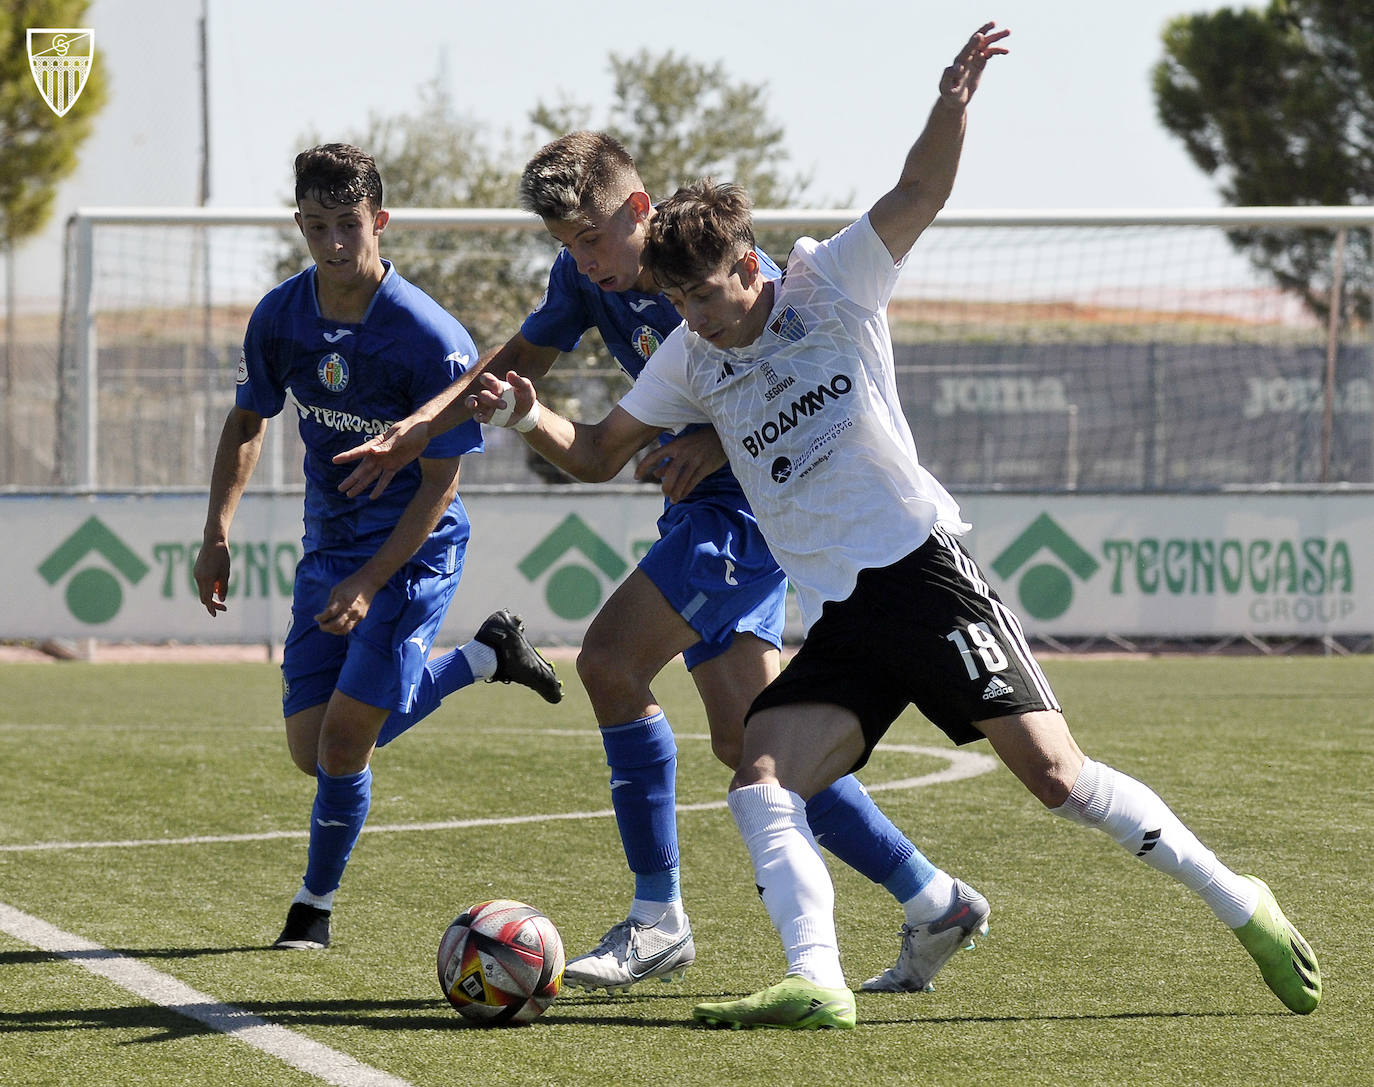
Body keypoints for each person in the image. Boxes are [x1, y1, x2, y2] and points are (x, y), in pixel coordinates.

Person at [465, 22, 1323, 1030]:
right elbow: (602, 450)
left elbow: (918, 193)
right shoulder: (690, 357)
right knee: (759, 772)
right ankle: (817, 979)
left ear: (749, 264)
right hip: (849, 613)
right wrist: (525, 412)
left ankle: (1243, 902)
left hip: (926, 577)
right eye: (677, 299)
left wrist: (950, 107)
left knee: (1058, 778)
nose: (692, 317)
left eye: (704, 294)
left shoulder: (833, 286)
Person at [333, 132, 988, 994]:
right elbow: (539, 382)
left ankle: (657, 917)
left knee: (608, 661)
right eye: (567, 244)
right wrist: (428, 425)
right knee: (746, 739)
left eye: (595, 238)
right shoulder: (582, 279)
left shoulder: (702, 255)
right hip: (718, 515)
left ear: (639, 210)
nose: (586, 261)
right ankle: (931, 895)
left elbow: (786, 352)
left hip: (750, 515)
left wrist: (719, 437)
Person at [193, 143, 562, 952]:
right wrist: (217, 530)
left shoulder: (428, 336)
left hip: (411, 554)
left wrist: (371, 577)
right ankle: (483, 658)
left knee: (341, 744)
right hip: (329, 549)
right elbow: (249, 420)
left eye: (348, 224)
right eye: (317, 225)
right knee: (307, 748)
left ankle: (312, 908)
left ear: (379, 221)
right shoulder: (279, 316)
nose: (332, 243)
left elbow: (439, 485)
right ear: (299, 223)